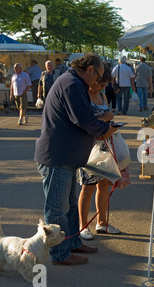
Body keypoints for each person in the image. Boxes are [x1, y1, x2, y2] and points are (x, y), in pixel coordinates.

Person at [34, 53, 115, 266]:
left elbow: (85, 115)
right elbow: (83, 118)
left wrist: (103, 127)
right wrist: (104, 130)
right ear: (89, 69)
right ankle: (60, 253)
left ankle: (71, 243)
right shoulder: (72, 84)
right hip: (58, 157)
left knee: (68, 206)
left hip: (66, 157)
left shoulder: (73, 83)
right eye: (97, 76)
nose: (97, 81)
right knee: (57, 210)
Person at [77, 64, 120, 240]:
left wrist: (111, 125)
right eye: (100, 84)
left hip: (104, 145)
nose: (102, 88)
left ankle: (102, 222)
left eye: (104, 86)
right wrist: (104, 119)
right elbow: (85, 122)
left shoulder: (101, 95)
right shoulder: (83, 95)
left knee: (104, 184)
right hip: (88, 148)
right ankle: (83, 226)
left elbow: (108, 114)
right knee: (88, 187)